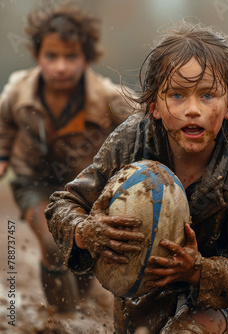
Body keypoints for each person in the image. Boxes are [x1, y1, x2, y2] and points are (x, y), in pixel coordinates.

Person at [45, 22, 228, 334]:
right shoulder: (132, 141)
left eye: (207, 95)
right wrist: (86, 231)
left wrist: (199, 270)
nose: (192, 109)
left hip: (213, 291)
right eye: (177, 95)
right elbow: (62, 204)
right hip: (142, 282)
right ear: (154, 105)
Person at [0, 4, 130, 313]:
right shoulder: (19, 90)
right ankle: (60, 318)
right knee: (52, 244)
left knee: (80, 252)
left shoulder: (109, 98)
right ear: (37, 56)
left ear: (87, 58)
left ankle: (79, 306)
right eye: (52, 56)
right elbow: (5, 122)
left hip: (83, 187)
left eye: (71, 57)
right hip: (33, 181)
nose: (60, 67)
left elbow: (137, 130)